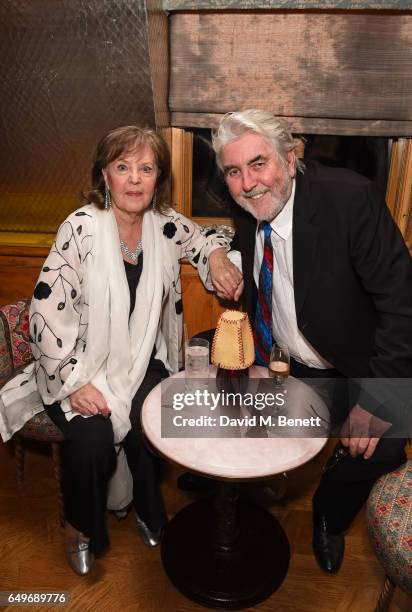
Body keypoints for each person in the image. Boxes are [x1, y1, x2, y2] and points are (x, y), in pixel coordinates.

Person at [0, 125, 242, 575]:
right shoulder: (81, 228)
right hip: (76, 362)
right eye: (122, 167)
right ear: (105, 176)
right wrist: (74, 379)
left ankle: (152, 511)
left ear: (158, 179)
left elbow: (204, 239)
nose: (134, 179)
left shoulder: (164, 225)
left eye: (146, 169)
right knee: (90, 439)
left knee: (151, 422)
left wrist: (215, 257)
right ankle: (81, 528)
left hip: (140, 359)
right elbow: (44, 311)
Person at [211, 109, 412, 573]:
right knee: (219, 395)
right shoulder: (248, 204)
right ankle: (228, 484)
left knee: (381, 447)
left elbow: (403, 307)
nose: (248, 183)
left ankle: (328, 516)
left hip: (355, 364)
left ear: (290, 157)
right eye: (233, 172)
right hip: (281, 359)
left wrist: (378, 400)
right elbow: (206, 232)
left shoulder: (349, 201)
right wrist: (219, 252)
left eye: (258, 163)